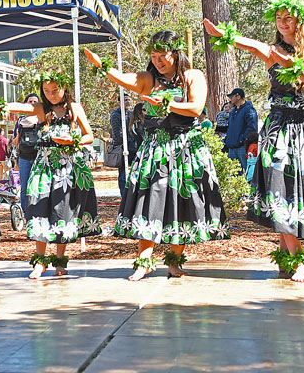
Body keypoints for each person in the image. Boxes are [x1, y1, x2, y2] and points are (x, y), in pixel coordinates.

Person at [205, 0, 304, 282]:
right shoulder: (272, 51)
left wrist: (295, 66)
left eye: (289, 18)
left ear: (302, 21)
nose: (283, 23)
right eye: (279, 19)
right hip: (282, 130)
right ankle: (297, 259)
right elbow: (249, 44)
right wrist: (223, 35)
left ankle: (287, 255)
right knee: (283, 191)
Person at [86, 31, 228, 281]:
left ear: (176, 53)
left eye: (163, 55)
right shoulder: (148, 79)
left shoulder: (192, 76)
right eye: (154, 56)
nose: (159, 60)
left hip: (186, 148)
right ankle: (144, 261)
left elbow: (196, 108)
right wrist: (102, 66)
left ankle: (174, 261)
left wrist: (165, 105)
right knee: (148, 201)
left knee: (181, 203)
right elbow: (121, 78)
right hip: (156, 148)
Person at [0, 70, 100, 279]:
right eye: (46, 91)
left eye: (55, 90)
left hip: (68, 167)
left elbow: (89, 135)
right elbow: (20, 106)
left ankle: (60, 260)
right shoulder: (40, 109)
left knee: (62, 211)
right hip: (44, 165)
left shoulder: (74, 108)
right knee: (39, 208)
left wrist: (74, 142)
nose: (51, 94)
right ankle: (39, 262)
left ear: (65, 88)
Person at [12, 94, 41, 214]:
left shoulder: (42, 119)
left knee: (39, 185)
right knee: (24, 186)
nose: (32, 104)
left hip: (39, 157)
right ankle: (25, 212)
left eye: (35, 101)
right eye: (30, 101)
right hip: (24, 157)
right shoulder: (20, 121)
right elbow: (14, 142)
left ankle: (39, 210)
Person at [224, 88, 258, 174]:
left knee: (249, 173)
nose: (230, 99)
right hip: (232, 148)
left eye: (232, 96)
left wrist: (241, 140)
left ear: (238, 96)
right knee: (233, 175)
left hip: (243, 148)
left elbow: (252, 128)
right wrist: (227, 141)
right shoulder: (233, 111)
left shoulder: (249, 109)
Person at [109, 96, 132, 197]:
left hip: (133, 147)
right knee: (123, 175)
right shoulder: (115, 115)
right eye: (125, 100)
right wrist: (123, 145)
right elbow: (117, 133)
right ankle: (124, 197)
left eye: (128, 100)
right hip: (122, 149)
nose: (127, 102)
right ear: (119, 102)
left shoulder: (131, 114)